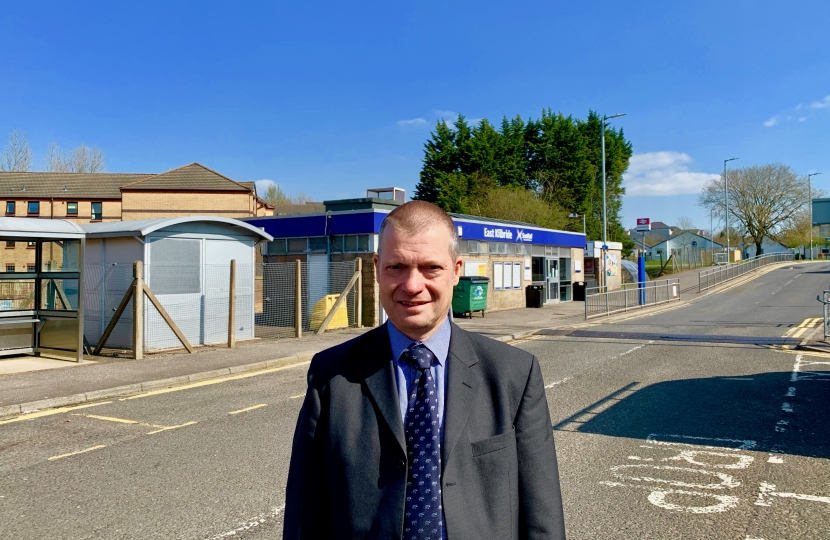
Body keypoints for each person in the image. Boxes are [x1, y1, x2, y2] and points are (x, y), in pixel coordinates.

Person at [284, 201, 566, 539]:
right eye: (397, 267)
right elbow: (305, 514)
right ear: (377, 268)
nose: (412, 285)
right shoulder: (330, 375)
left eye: (430, 267)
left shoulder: (513, 374)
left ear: (456, 269)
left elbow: (542, 514)